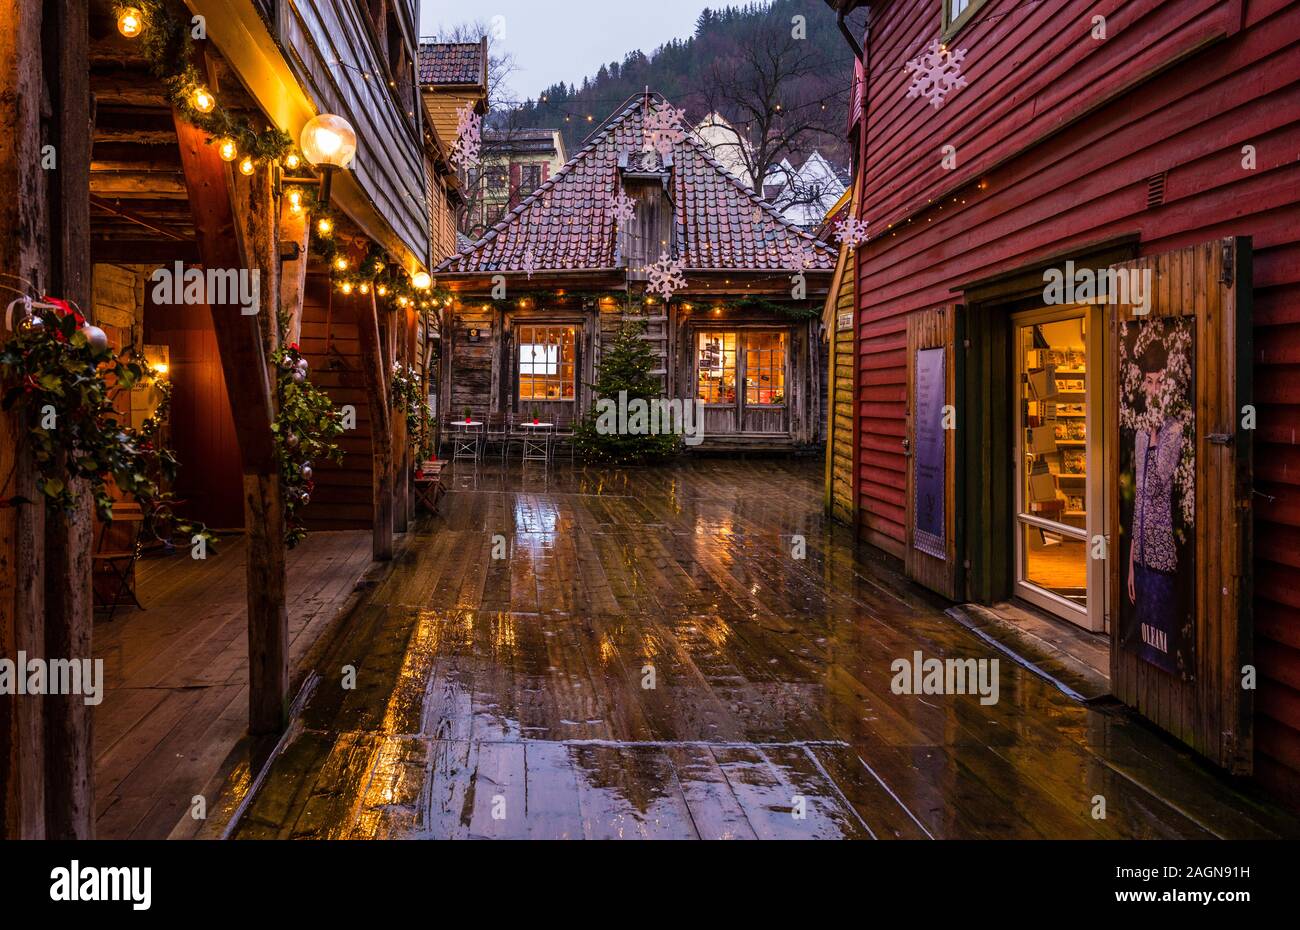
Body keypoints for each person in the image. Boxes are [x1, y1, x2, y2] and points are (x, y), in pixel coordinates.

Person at [1126, 338, 1184, 670]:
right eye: (1149, 381)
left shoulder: (1174, 430)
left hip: (1163, 552)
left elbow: (1161, 479)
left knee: (1163, 645)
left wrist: (1156, 435)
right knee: (1142, 635)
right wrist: (1132, 559)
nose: (1154, 388)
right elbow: (1139, 496)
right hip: (1143, 553)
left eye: (1160, 381)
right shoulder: (1138, 435)